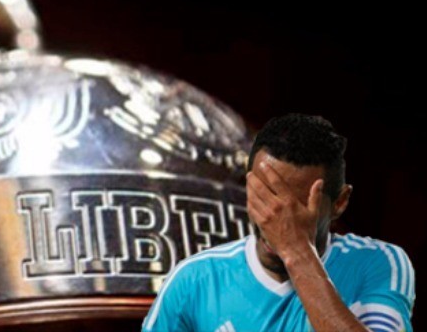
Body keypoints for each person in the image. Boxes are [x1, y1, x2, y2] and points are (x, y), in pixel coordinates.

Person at [142, 113, 415, 332]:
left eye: (297, 206)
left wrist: (296, 249)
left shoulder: (377, 263)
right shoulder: (194, 280)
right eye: (265, 195)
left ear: (339, 202)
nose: (275, 217)